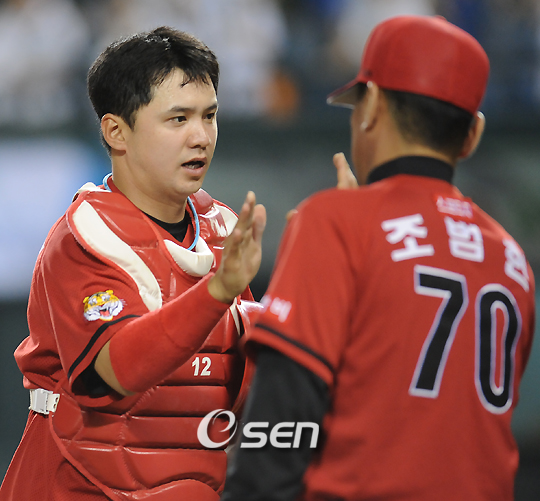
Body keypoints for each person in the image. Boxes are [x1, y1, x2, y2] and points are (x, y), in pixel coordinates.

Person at [221, 15, 536, 501]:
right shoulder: (513, 261)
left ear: (372, 108)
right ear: (472, 134)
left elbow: (280, 424)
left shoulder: (336, 221)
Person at [0, 26, 266, 501]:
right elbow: (114, 373)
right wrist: (217, 293)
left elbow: (242, 386)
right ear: (116, 131)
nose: (200, 136)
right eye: (178, 118)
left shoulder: (224, 230)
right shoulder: (83, 239)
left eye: (209, 116)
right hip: (76, 487)